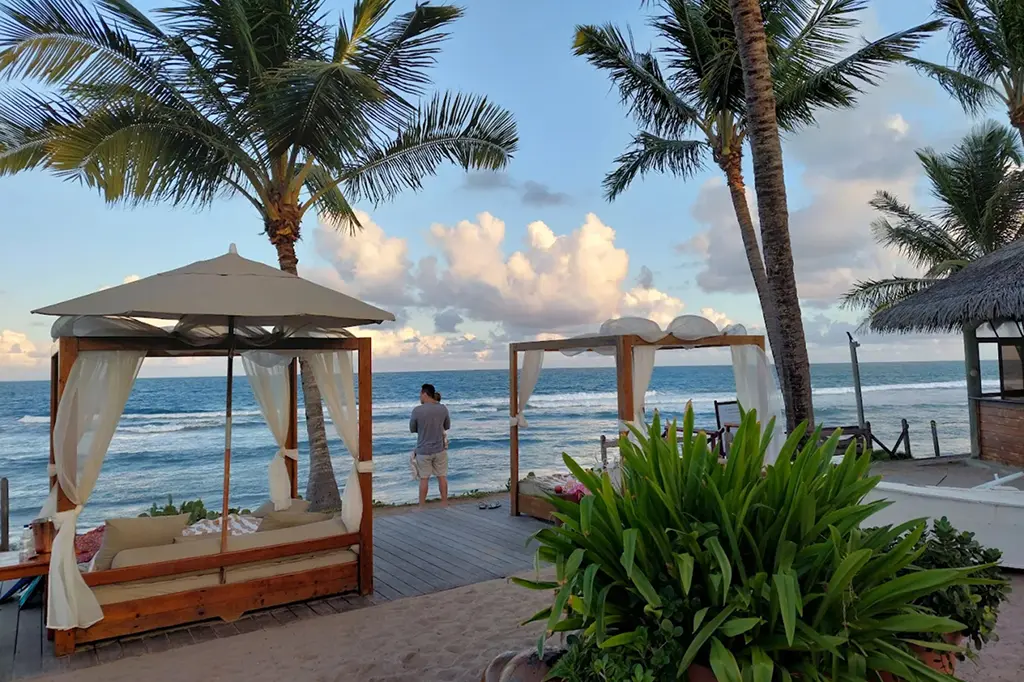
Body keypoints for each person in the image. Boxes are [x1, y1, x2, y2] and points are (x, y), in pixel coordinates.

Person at [410, 383, 451, 506]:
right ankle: (444, 503)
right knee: (442, 477)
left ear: (425, 394)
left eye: (420, 394)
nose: (419, 397)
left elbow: (412, 428)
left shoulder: (417, 410)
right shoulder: (443, 408)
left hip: (423, 450)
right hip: (439, 449)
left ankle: (421, 506)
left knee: (424, 479)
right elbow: (447, 426)